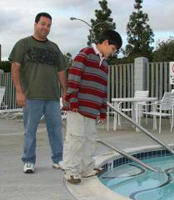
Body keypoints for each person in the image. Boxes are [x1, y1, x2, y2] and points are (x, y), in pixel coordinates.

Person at [9, 12, 68, 173]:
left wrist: (65, 91)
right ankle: (28, 161)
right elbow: (15, 67)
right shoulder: (23, 44)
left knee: (56, 129)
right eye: (43, 24)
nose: (46, 28)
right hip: (31, 96)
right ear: (35, 24)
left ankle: (58, 159)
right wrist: (19, 92)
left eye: (49, 25)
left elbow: (62, 71)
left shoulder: (54, 47)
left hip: (52, 97)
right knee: (30, 130)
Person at [63, 30, 122, 184]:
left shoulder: (105, 65)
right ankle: (71, 171)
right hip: (77, 108)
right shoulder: (85, 54)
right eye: (113, 49)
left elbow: (103, 89)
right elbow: (74, 77)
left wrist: (102, 111)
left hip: (92, 110)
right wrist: (73, 101)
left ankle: (86, 168)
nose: (113, 53)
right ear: (106, 42)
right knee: (76, 139)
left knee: (90, 140)